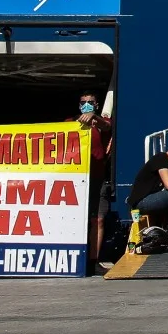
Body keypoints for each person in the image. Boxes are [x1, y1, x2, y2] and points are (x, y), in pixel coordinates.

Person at [68, 90, 115, 270]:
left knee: (99, 219)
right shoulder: (69, 123)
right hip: (74, 179)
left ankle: (93, 261)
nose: (86, 105)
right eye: (83, 102)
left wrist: (94, 117)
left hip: (97, 178)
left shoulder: (102, 123)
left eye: (90, 102)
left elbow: (107, 126)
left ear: (96, 105)